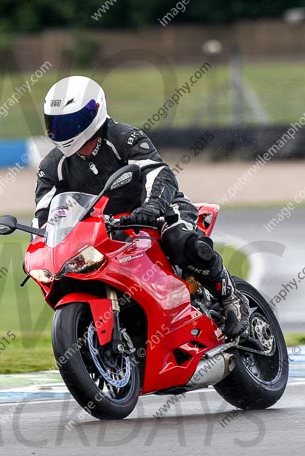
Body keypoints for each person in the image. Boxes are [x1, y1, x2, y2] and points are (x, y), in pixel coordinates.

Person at [33, 76, 248, 338]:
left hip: (159, 211)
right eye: (56, 124)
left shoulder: (125, 137)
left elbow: (158, 172)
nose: (64, 131)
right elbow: (45, 212)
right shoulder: (51, 165)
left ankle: (231, 299)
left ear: (94, 111)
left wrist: (153, 206)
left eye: (70, 122)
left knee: (182, 241)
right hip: (104, 229)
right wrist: (41, 241)